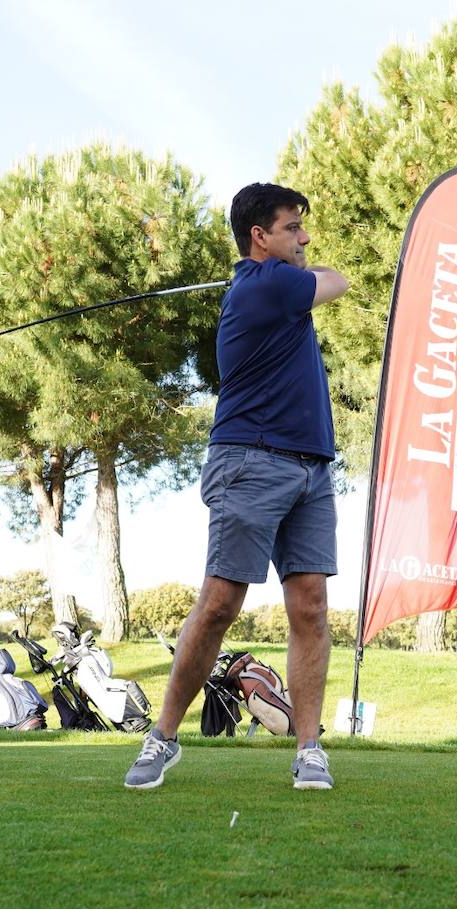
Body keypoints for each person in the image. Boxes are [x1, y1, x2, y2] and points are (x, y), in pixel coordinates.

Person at [124, 182, 350, 790]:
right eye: (292, 228)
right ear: (260, 236)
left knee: (310, 605)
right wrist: (306, 268)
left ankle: (309, 748)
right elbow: (339, 282)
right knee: (221, 604)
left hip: (310, 467)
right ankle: (163, 737)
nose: (303, 238)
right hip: (252, 462)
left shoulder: (264, 286)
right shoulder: (274, 284)